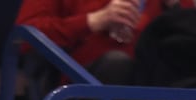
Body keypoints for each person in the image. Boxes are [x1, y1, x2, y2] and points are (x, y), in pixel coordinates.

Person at [15, 0, 184, 86]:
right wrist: (93, 21)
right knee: (116, 64)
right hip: (80, 85)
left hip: (154, 81)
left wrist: (176, 6)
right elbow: (27, 35)